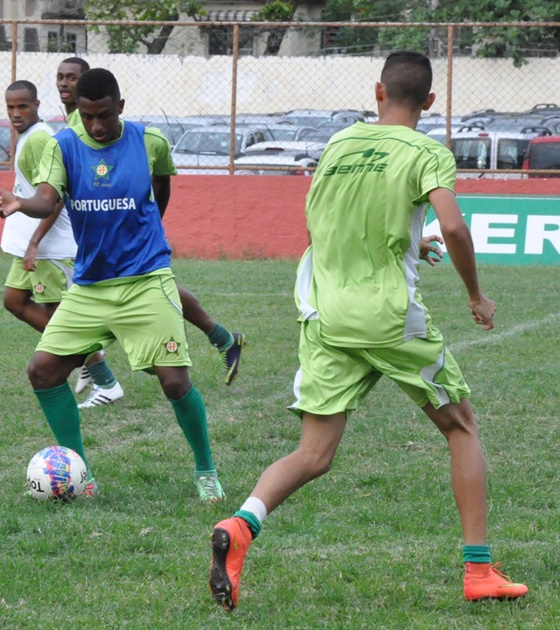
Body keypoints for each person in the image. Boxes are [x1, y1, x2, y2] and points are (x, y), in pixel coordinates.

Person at [207, 51, 528, 610]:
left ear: (378, 92)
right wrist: (475, 294)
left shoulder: (337, 145)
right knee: (462, 428)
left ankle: (240, 525)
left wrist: (406, 240)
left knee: (314, 453)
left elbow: (324, 223)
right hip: (386, 316)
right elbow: (452, 223)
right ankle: (479, 571)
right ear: (429, 102)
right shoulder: (429, 152)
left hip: (325, 313)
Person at [0, 68, 225, 503]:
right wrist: (22, 204)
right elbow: (47, 197)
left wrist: (148, 234)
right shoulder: (64, 146)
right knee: (42, 370)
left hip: (146, 279)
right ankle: (82, 476)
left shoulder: (148, 141)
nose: (95, 125)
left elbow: (161, 189)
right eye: (86, 115)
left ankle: (206, 470)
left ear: (120, 107)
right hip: (91, 285)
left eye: (104, 115)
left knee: (173, 381)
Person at [56, 57, 247, 393]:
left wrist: (144, 222)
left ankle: (101, 374)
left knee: (156, 300)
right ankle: (223, 338)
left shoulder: (128, 135)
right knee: (164, 294)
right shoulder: (67, 133)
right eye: (60, 77)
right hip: (95, 250)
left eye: (73, 78)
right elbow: (53, 194)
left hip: (128, 255)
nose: (65, 84)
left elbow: (159, 180)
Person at [0, 79, 124, 409]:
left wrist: (35, 242)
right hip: (30, 245)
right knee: (14, 301)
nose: (16, 113)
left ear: (38, 105)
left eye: (22, 106)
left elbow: (54, 198)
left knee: (61, 319)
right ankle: (85, 358)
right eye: (10, 107)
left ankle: (105, 381)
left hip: (48, 248)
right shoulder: (28, 137)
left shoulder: (41, 139)